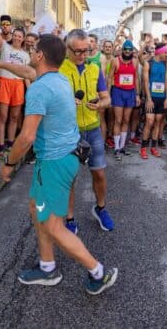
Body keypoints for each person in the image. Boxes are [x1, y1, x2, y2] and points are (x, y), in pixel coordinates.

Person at [0, 35, 119, 295]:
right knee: (37, 208)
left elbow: (26, 137)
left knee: (53, 226)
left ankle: (99, 272)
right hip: (64, 159)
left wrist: (8, 164)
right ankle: (47, 266)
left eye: (33, 50)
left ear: (40, 56)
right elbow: (27, 71)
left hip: (54, 163)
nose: (30, 52)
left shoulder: (40, 88)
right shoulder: (59, 79)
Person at [60, 29, 115, 233]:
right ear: (67, 48)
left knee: (99, 173)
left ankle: (100, 209)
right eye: (78, 51)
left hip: (93, 130)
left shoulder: (94, 68)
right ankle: (70, 218)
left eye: (87, 50)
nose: (83, 55)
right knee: (70, 178)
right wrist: (65, 102)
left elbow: (107, 98)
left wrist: (100, 104)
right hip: (69, 132)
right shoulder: (58, 69)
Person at [0, 28, 30, 158]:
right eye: (15, 35)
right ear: (12, 36)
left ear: (23, 38)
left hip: (18, 84)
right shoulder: (5, 46)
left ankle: (10, 144)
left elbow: (26, 75)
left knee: (14, 117)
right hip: (4, 82)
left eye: (19, 36)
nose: (17, 38)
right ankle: (1, 147)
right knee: (2, 117)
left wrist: (30, 90)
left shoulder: (26, 55)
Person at [109, 40, 140, 161]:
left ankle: (122, 146)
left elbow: (136, 79)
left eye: (129, 50)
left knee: (126, 120)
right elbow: (109, 78)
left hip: (130, 92)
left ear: (132, 51)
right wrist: (108, 95)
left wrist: (137, 95)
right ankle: (116, 147)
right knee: (118, 120)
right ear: (122, 50)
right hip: (118, 92)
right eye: (125, 49)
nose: (127, 52)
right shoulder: (115, 61)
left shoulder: (135, 61)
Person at [140, 42, 167, 159]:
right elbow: (146, 82)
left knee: (158, 123)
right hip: (151, 97)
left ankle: (153, 147)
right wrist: (148, 99)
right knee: (149, 122)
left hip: (161, 98)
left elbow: (166, 82)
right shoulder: (148, 64)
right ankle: (143, 148)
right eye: (165, 52)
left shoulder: (165, 64)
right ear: (160, 52)